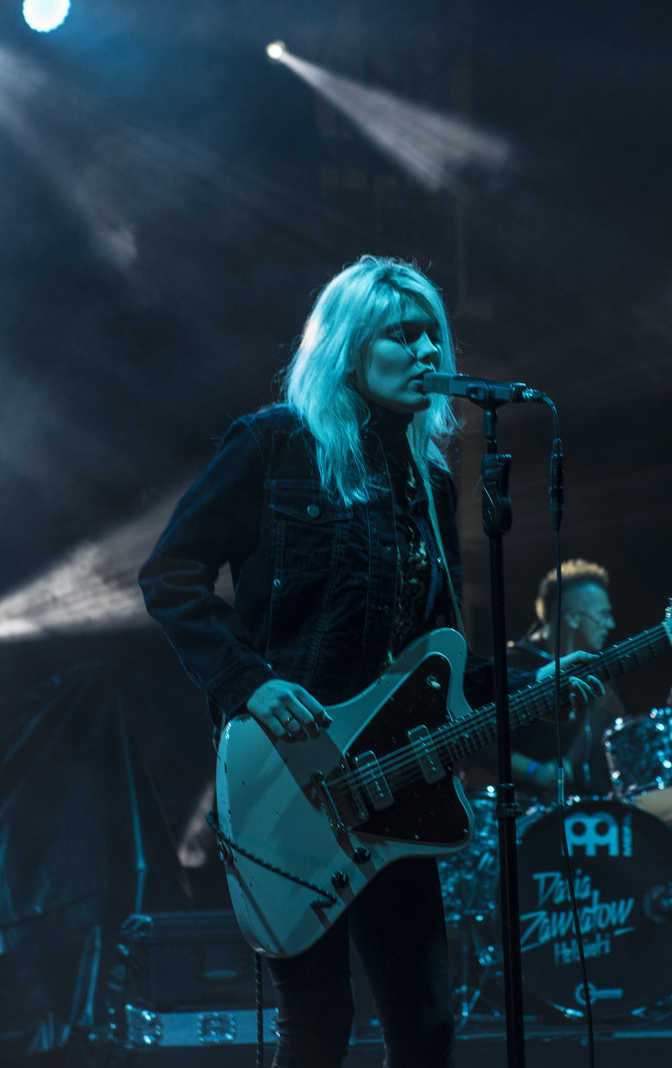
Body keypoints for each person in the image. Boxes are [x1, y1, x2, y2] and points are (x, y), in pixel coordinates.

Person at [138, 256, 601, 1068]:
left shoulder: (430, 480)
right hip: (290, 775)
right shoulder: (271, 444)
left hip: (396, 789)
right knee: (319, 1026)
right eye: (403, 334)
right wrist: (249, 684)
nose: (427, 351)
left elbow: (439, 656)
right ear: (349, 347)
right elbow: (169, 576)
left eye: (433, 335)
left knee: (427, 1028)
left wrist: (537, 683)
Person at [501, 560, 628, 800]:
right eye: (603, 615)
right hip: (532, 810)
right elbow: (478, 745)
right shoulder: (512, 667)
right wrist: (532, 770)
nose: (611, 624)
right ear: (572, 618)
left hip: (595, 809)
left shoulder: (598, 668)